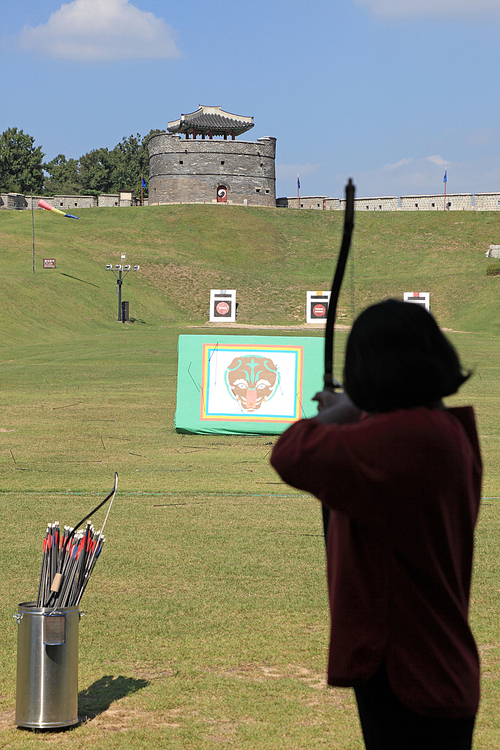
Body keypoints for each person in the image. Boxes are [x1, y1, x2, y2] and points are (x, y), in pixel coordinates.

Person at [270, 299, 482, 750]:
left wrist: (343, 409)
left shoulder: (410, 440)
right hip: (428, 667)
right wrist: (355, 410)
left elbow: (292, 451)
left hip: (412, 673)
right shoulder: (440, 430)